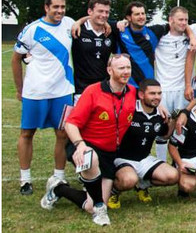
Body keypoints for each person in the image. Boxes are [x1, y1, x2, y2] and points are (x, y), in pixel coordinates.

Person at [41, 54, 137, 226]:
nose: (125, 72)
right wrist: (80, 145)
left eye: (128, 68)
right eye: (121, 68)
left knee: (89, 206)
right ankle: (101, 210)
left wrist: (158, 104)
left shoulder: (132, 92)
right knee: (90, 158)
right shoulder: (93, 91)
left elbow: (149, 97)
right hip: (85, 146)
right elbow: (70, 124)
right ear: (109, 70)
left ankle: (58, 188)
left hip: (109, 153)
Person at [13, 0, 75, 195]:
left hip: (63, 91)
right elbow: (16, 59)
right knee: (27, 133)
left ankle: (58, 177)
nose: (60, 11)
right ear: (46, 7)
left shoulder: (69, 24)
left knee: (63, 134)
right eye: (56, 7)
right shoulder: (32, 30)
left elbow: (90, 20)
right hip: (36, 92)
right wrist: (20, 89)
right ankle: (25, 180)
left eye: (63, 7)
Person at [106, 79, 179, 209]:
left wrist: (173, 120)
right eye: (152, 93)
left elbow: (164, 135)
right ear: (141, 95)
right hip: (122, 158)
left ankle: (142, 186)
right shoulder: (128, 109)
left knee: (173, 176)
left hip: (144, 159)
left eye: (159, 93)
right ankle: (113, 192)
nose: (156, 97)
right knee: (129, 179)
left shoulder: (160, 115)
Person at [153, 6, 193, 161]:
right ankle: (160, 163)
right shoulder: (159, 37)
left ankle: (178, 163)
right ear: (170, 20)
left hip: (182, 90)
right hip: (163, 90)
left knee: (180, 128)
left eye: (186, 20)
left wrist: (192, 35)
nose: (183, 23)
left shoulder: (189, 37)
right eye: (180, 19)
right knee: (163, 130)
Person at [71, 0, 115, 102]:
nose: (104, 15)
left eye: (107, 12)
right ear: (90, 11)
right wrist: (80, 21)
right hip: (81, 89)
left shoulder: (111, 31)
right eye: (100, 11)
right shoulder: (77, 30)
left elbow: (126, 24)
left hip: (104, 88)